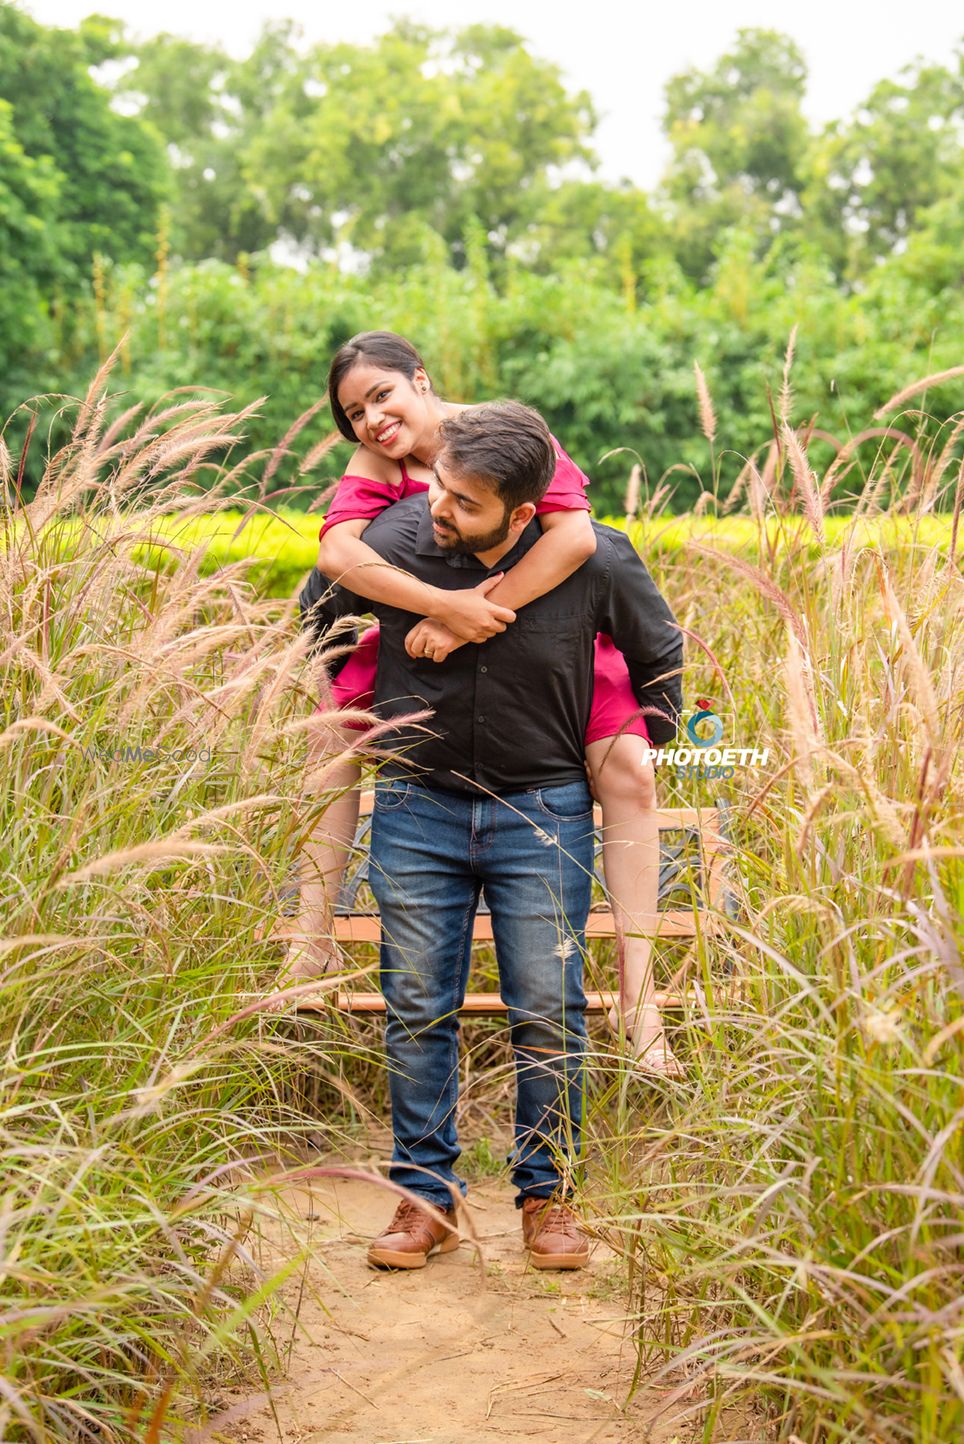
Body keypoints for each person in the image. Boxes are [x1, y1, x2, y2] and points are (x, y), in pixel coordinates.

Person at [299, 401, 683, 1270]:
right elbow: (321, 610)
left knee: (548, 1013)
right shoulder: (396, 541)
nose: (440, 510)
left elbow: (660, 653)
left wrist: (633, 740)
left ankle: (548, 1197)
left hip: (541, 815)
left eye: (463, 503)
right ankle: (421, 1201)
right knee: (415, 1012)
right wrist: (353, 703)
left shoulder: (596, 557)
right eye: (439, 490)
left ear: (519, 513)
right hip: (418, 810)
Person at [286, 330, 681, 1075]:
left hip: (541, 640)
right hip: (426, 647)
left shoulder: (502, 434)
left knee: (631, 768)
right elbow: (338, 557)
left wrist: (470, 616)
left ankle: (640, 994)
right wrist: (442, 608)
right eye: (353, 413)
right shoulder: (377, 462)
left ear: (421, 380)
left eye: (381, 395)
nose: (371, 419)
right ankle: (310, 940)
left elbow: (573, 542)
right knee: (332, 729)